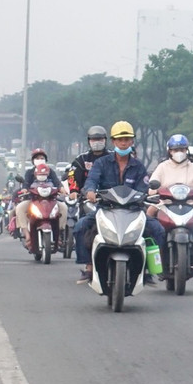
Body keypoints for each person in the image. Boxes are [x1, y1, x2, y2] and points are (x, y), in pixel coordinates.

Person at [75, 121, 158, 285]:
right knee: (80, 227)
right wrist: (90, 191)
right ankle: (89, 267)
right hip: (106, 209)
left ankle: (148, 270)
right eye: (120, 140)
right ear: (113, 142)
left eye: (127, 139)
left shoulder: (139, 166)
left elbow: (143, 186)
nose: (124, 143)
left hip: (133, 210)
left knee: (158, 229)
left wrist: (145, 195)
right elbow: (91, 180)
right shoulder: (101, 163)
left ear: (132, 142)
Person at [147, 134, 193, 271]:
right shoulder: (162, 167)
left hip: (190, 203)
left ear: (187, 150)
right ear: (169, 151)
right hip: (165, 203)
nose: (179, 153)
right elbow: (152, 185)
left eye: (182, 149)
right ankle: (149, 247)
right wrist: (153, 190)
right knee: (149, 213)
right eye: (175, 150)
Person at [14, 149, 69, 252]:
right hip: (33, 201)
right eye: (37, 158)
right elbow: (26, 184)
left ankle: (60, 233)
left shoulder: (50, 171)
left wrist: (61, 188)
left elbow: (57, 182)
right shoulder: (29, 172)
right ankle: (27, 235)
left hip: (51, 201)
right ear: (33, 160)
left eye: (42, 158)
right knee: (20, 208)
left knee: (64, 208)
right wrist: (25, 189)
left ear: (46, 160)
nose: (40, 160)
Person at [72, 125, 114, 195]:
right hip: (87, 197)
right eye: (94, 139)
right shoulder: (81, 159)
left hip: (112, 197)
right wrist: (74, 191)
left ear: (105, 140)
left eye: (100, 139)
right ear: (89, 141)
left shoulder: (113, 157)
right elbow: (73, 176)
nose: (97, 142)